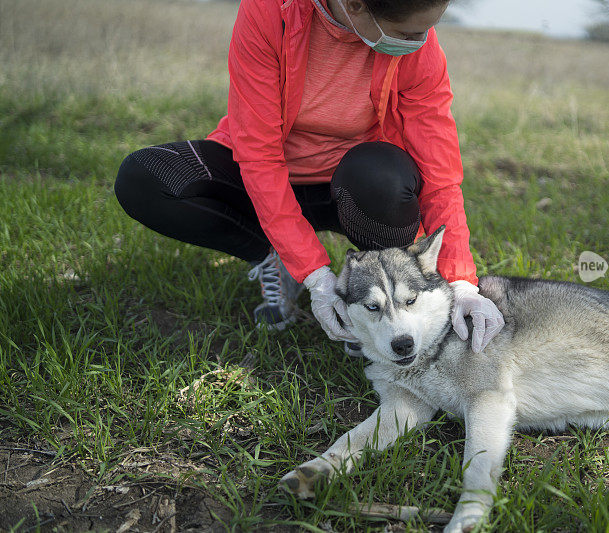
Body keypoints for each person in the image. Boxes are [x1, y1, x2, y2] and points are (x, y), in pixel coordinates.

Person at [114, 0, 505, 354]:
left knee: (384, 179)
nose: (420, 43)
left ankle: (375, 305)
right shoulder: (271, 11)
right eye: (407, 34)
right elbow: (260, 154)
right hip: (263, 178)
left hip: (349, 187)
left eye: (428, 30)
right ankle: (274, 257)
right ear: (354, 6)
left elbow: (439, 169)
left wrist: (461, 282)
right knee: (144, 178)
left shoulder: (421, 48)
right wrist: (316, 276)